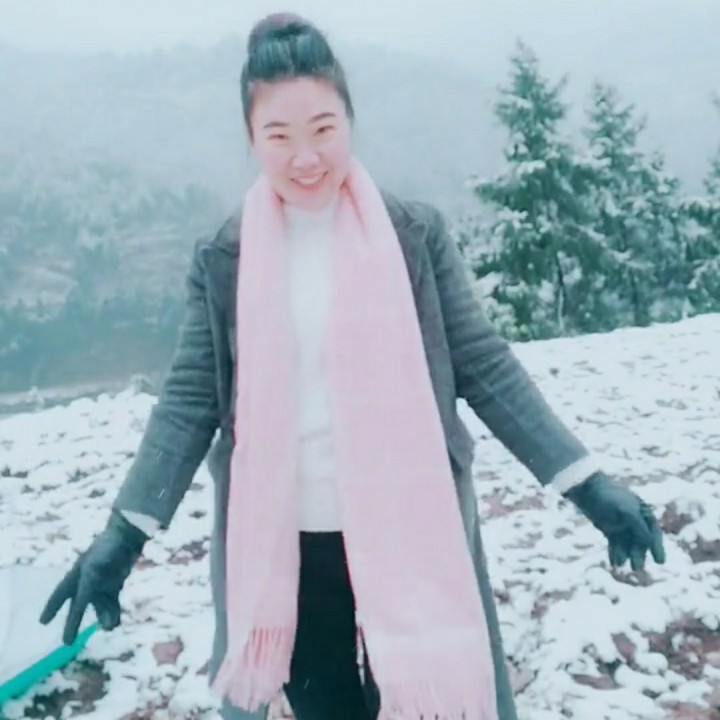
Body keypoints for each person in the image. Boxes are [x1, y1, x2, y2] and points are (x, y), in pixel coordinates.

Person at [38, 13, 666, 720]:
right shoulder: (226, 258)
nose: (305, 156)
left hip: (413, 522)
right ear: (252, 139)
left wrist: (586, 484)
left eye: (323, 129)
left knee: (436, 701)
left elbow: (484, 366)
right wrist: (124, 536)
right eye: (279, 136)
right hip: (293, 543)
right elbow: (189, 402)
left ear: (350, 121)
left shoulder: (413, 236)